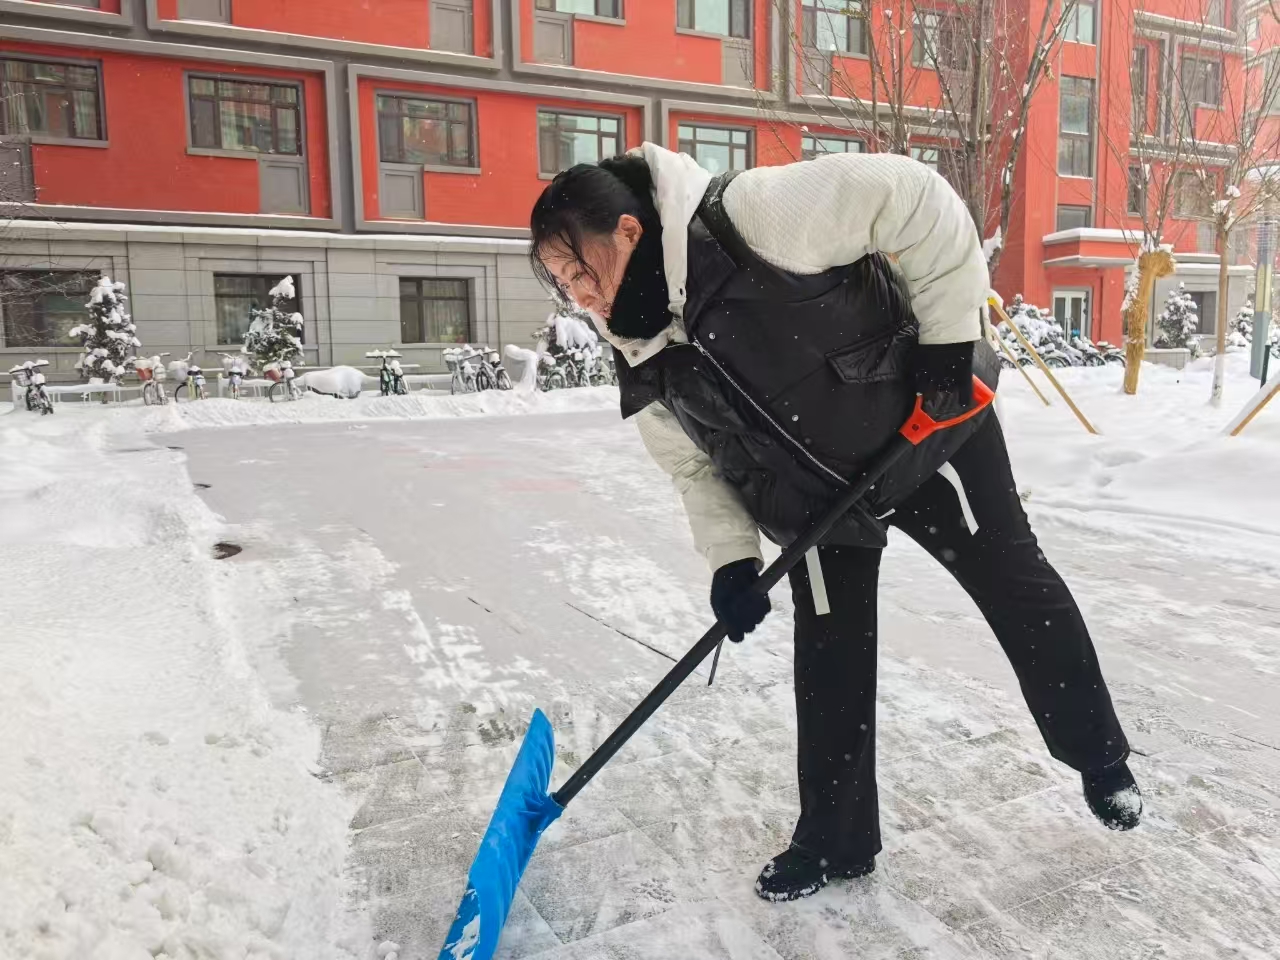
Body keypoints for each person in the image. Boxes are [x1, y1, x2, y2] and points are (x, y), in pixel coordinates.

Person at [529, 143, 1140, 903]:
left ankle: (1100, 757)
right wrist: (731, 561)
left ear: (626, 231)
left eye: (581, 269)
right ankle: (835, 839)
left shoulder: (746, 216)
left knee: (1013, 584)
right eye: (564, 284)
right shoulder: (638, 345)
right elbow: (692, 466)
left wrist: (950, 344)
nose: (582, 296)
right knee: (829, 653)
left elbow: (914, 196)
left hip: (926, 431)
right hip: (816, 500)